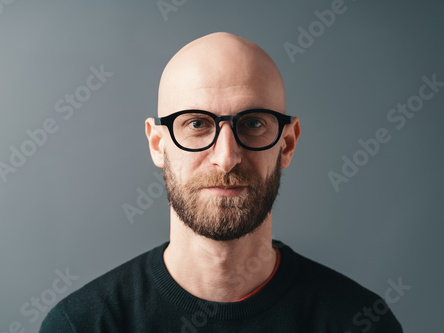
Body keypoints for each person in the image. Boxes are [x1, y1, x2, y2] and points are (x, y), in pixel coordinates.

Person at [40, 32, 403, 332]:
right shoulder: (83, 325)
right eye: (197, 124)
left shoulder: (361, 322)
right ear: (158, 144)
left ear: (287, 143)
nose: (226, 156)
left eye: (253, 123)